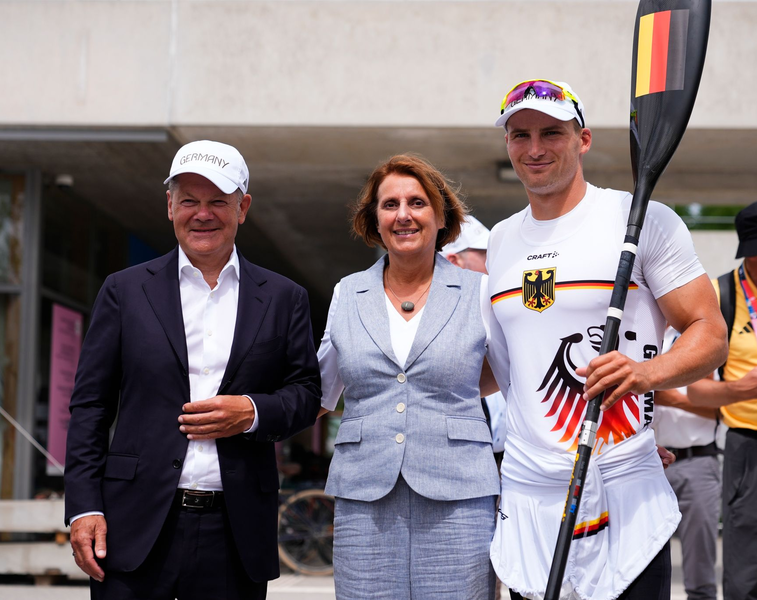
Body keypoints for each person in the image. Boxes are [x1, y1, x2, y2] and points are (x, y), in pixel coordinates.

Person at [484, 79, 728, 600]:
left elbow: (710, 333)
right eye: (519, 134)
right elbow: (505, 371)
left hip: (625, 488)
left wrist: (645, 375)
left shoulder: (640, 220)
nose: (534, 148)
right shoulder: (500, 241)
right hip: (532, 496)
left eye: (552, 132)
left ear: (584, 139)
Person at [64, 140, 321, 599]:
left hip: (236, 530)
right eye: (189, 201)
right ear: (169, 206)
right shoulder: (124, 291)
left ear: (242, 208)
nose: (203, 214)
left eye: (218, 202)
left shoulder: (285, 297)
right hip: (134, 525)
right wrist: (84, 507)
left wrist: (251, 411)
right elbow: (90, 405)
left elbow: (305, 393)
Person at [317, 154, 500, 599]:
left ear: (441, 217)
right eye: (390, 204)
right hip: (364, 495)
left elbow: (515, 377)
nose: (403, 215)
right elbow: (320, 389)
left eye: (417, 203)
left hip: (460, 494)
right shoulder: (347, 293)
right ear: (374, 220)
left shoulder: (481, 291)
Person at [678, 198, 757, 600]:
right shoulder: (718, 296)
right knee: (747, 584)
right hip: (756, 454)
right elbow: (696, 389)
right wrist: (742, 389)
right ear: (753, 250)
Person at [653, 327, 721, 600]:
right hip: (646, 462)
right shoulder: (643, 333)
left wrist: (674, 400)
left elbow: (731, 407)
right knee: (640, 560)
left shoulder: (708, 338)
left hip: (697, 461)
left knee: (699, 567)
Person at [442, 215, 507, 459]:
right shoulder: (438, 329)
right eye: (485, 255)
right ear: (454, 261)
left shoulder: (498, 311)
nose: (495, 263)